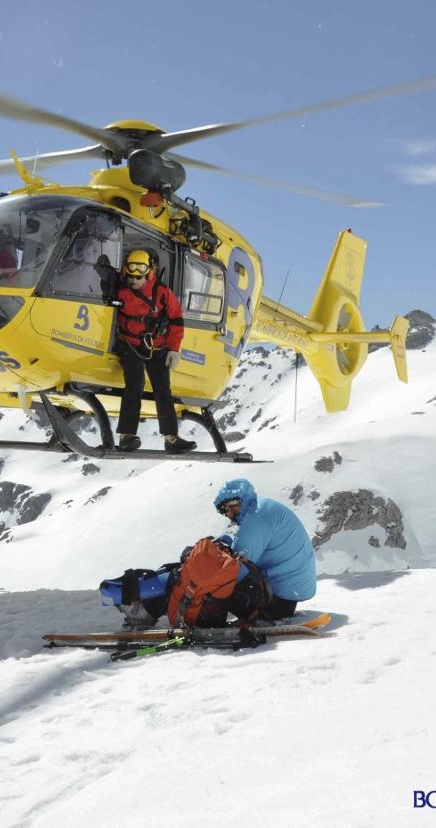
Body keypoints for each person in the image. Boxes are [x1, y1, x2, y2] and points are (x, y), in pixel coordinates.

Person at [113, 248, 196, 453]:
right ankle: (127, 436)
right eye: (130, 277)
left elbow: (177, 319)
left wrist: (174, 349)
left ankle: (171, 438)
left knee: (163, 389)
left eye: (138, 277)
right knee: (136, 383)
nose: (134, 281)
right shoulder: (119, 290)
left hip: (156, 346)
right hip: (129, 344)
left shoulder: (162, 292)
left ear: (149, 273)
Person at [213, 478, 316, 621]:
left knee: (219, 590)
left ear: (241, 499)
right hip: (290, 589)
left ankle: (210, 624)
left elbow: (237, 568)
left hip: (279, 598)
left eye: (230, 506)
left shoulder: (254, 519)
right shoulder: (260, 508)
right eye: (223, 510)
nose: (229, 513)